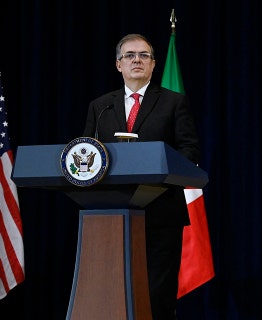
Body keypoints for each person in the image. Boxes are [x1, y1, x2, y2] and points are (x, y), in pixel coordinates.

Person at [82, 33, 200, 320]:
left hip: (161, 212)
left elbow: (189, 150)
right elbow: (87, 151)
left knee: (156, 295)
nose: (137, 59)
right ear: (118, 65)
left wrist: (158, 167)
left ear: (153, 64)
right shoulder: (101, 107)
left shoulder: (173, 102)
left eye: (144, 55)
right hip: (110, 214)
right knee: (112, 292)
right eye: (130, 55)